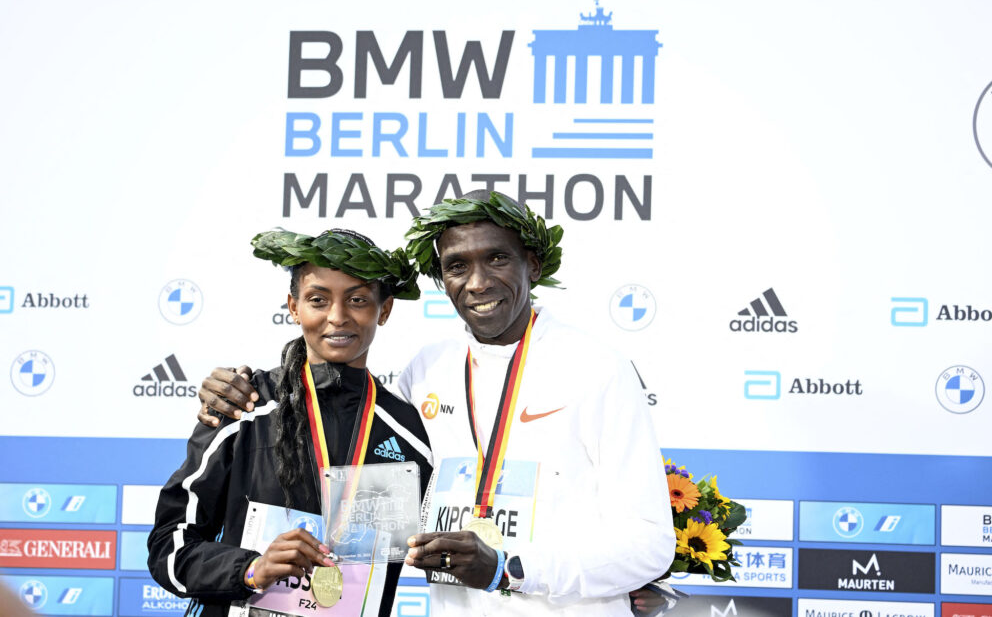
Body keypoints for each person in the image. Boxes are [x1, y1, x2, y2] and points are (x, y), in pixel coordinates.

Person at [198, 192, 675, 615]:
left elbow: (651, 543)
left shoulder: (597, 367)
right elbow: (360, 454)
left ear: (533, 264)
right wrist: (237, 389)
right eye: (457, 267)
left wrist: (509, 569)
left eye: (497, 260)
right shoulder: (428, 369)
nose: (478, 282)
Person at [148, 228, 432, 617]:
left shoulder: (409, 433)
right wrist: (250, 569)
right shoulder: (244, 407)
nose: (337, 316)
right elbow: (169, 546)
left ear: (384, 310)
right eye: (318, 299)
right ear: (294, 307)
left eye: (358, 300)